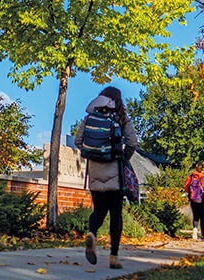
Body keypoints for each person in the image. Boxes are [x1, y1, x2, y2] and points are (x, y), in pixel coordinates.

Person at [75, 86, 137, 270]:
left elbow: (79, 141)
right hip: (115, 172)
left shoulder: (90, 117)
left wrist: (95, 154)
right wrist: (123, 156)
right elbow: (132, 142)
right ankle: (114, 257)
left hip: (95, 172)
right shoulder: (122, 117)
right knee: (116, 214)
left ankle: (92, 234)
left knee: (99, 211)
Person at [183, 163, 204, 240]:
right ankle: (202, 236)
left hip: (193, 199)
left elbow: (185, 186)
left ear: (195, 169)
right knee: (202, 217)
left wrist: (191, 194)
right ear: (202, 169)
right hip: (202, 199)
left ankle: (195, 230)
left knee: (195, 216)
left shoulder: (190, 177)